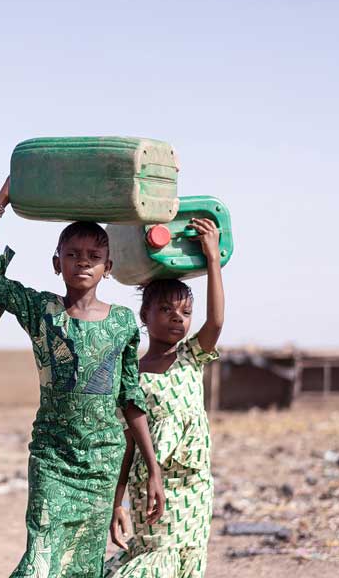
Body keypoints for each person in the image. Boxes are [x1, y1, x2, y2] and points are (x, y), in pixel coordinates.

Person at [0, 176, 164, 578]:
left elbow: (130, 399)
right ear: (57, 263)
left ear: (109, 267)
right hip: (52, 459)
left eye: (93, 255)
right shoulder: (41, 310)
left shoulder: (123, 322)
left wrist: (152, 468)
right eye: (72, 254)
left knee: (81, 569)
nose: (83, 261)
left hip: (101, 465)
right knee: (40, 562)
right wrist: (0, 202)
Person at [104, 216, 225, 578]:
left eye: (186, 312)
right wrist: (118, 501)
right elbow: (129, 441)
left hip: (196, 485)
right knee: (155, 560)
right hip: (153, 485)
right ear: (145, 315)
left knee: (187, 561)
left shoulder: (191, 356)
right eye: (166, 310)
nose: (178, 318)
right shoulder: (132, 374)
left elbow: (216, 323)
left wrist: (213, 260)